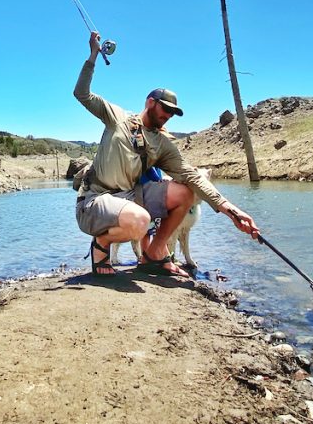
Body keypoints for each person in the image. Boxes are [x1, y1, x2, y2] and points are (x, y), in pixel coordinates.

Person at [73, 31, 261, 277]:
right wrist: (92, 57)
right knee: (140, 221)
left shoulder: (162, 143)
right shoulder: (116, 116)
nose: (169, 115)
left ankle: (154, 254)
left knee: (185, 192)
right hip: (94, 201)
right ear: (150, 102)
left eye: (173, 112)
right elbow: (82, 94)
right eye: (166, 109)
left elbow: (191, 175)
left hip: (130, 197)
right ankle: (101, 245)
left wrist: (231, 210)